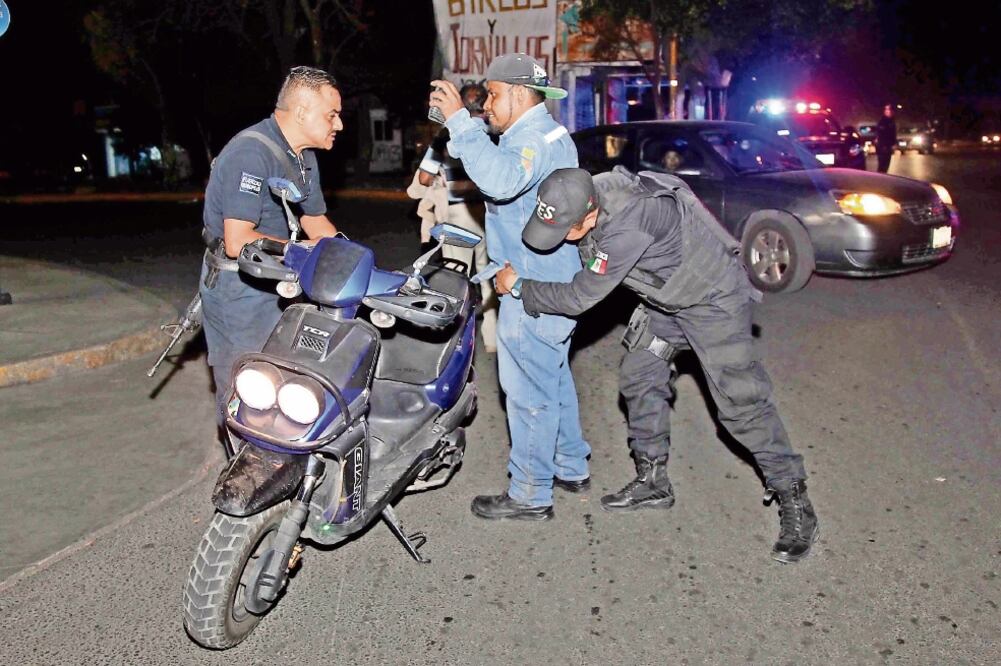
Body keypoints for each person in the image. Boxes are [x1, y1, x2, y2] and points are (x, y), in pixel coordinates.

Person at [494, 166, 820, 563]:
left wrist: (519, 287)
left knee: (741, 404)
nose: (558, 239)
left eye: (565, 231)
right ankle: (653, 481)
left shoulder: (629, 223)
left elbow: (581, 296)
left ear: (590, 216)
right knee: (640, 375)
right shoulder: (584, 191)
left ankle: (795, 499)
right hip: (668, 299)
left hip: (712, 300)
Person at [429, 54, 589, 521]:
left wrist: (460, 121)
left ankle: (530, 492)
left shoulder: (532, 141)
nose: (486, 105)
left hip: (531, 286)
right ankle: (570, 464)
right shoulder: (551, 133)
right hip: (555, 280)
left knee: (527, 391)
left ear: (519, 94)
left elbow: (500, 182)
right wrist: (465, 128)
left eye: (493, 95)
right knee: (553, 378)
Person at [200, 66, 342, 429]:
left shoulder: (303, 157)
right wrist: (305, 249)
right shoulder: (250, 153)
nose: (339, 125)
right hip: (240, 289)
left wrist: (354, 262)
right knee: (248, 393)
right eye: (332, 115)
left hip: (281, 278)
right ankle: (243, 458)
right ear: (301, 112)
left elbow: (316, 223)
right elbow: (237, 241)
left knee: (291, 383)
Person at [414, 83, 497, 353]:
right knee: (489, 275)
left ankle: (456, 340)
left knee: (455, 277)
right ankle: (492, 338)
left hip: (457, 215)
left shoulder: (447, 135)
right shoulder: (495, 133)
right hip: (489, 214)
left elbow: (424, 178)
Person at [875, 104, 897, 173]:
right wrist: (883, 145)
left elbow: (893, 134)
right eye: (886, 110)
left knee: (886, 164)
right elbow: (880, 134)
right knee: (882, 164)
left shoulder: (892, 121)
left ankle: (883, 175)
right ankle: (880, 177)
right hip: (882, 146)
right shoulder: (882, 121)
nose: (888, 111)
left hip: (888, 146)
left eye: (889, 109)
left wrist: (894, 143)